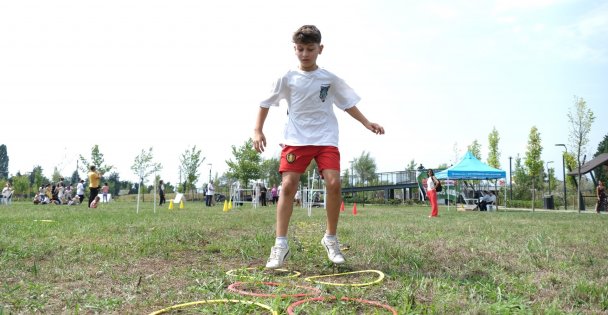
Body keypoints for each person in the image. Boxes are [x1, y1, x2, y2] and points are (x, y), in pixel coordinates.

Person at [253, 25, 385, 269]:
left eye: (310, 49)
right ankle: (280, 245)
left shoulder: (329, 78)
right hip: (296, 139)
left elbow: (347, 104)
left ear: (320, 49)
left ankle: (330, 239)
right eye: (300, 49)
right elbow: (265, 103)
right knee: (288, 186)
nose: (305, 54)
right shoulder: (286, 78)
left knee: (334, 182)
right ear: (295, 49)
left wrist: (366, 122)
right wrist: (257, 130)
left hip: (325, 138)